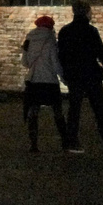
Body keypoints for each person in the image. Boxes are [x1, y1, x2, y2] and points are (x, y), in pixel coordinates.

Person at [58, 0, 103, 153]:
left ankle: (71, 141)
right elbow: (100, 52)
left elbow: (62, 55)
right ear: (86, 12)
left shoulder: (65, 31)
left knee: (74, 109)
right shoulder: (91, 31)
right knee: (99, 109)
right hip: (91, 73)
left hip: (74, 75)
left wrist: (66, 72)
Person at [21, 14, 66, 152]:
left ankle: (33, 145)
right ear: (50, 26)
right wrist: (64, 78)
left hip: (34, 80)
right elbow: (55, 62)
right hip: (49, 81)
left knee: (33, 112)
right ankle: (65, 142)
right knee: (57, 111)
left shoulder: (29, 39)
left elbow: (25, 62)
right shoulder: (51, 40)